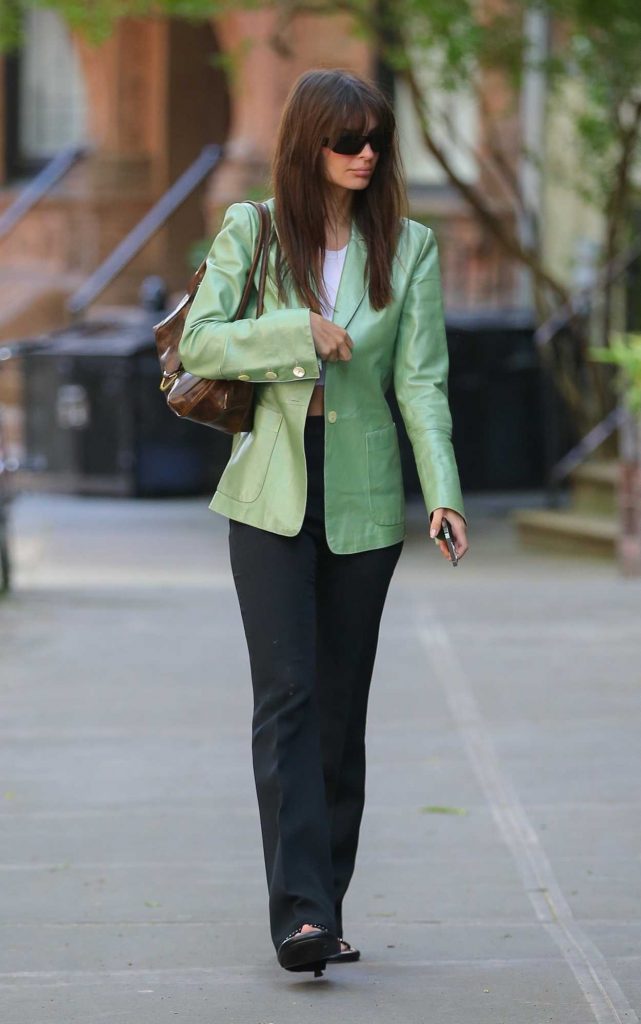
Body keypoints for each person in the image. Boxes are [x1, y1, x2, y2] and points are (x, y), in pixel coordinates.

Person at [178, 67, 468, 977]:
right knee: (289, 699)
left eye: (375, 138)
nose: (365, 154)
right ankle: (299, 916)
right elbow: (199, 341)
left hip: (367, 500)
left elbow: (419, 379)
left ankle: (326, 904)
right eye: (347, 140)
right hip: (268, 493)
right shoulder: (253, 231)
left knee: (340, 715)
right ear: (309, 143)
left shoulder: (409, 244)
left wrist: (444, 491)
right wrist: (297, 330)